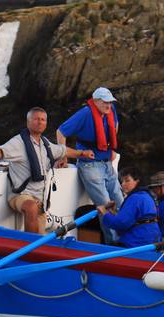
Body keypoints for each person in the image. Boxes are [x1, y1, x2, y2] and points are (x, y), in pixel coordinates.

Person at [0, 107, 93, 234]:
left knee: (40, 235)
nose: (40, 122)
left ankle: (34, 247)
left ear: (46, 123)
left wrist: (83, 153)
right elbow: (1, 150)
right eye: (36, 119)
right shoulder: (18, 142)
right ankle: (30, 247)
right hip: (19, 196)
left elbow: (63, 150)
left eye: (43, 120)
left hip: (40, 201)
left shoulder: (46, 144)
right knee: (31, 207)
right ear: (28, 122)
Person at [57, 87, 124, 244]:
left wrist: (112, 148)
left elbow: (115, 126)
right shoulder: (85, 113)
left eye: (110, 102)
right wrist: (63, 155)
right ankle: (113, 245)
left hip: (107, 163)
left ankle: (127, 240)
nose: (108, 105)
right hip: (90, 166)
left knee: (121, 202)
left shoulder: (111, 110)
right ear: (96, 101)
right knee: (105, 206)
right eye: (105, 102)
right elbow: (61, 132)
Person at [96, 167, 161, 248]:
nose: (123, 184)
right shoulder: (147, 196)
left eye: (127, 181)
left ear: (137, 181)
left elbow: (121, 224)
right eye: (122, 181)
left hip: (136, 243)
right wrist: (113, 213)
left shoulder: (135, 198)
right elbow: (132, 219)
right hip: (151, 241)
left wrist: (105, 213)